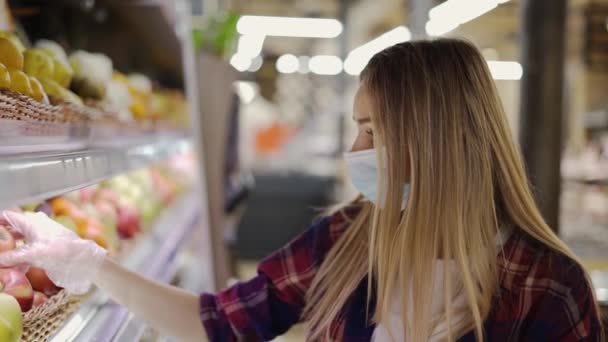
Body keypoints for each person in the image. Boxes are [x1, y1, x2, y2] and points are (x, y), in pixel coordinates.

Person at [0, 39, 603, 342]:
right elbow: (221, 322)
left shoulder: (546, 286)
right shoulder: (348, 237)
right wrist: (91, 264)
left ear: (439, 138)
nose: (356, 150)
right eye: (355, 128)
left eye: (373, 130)